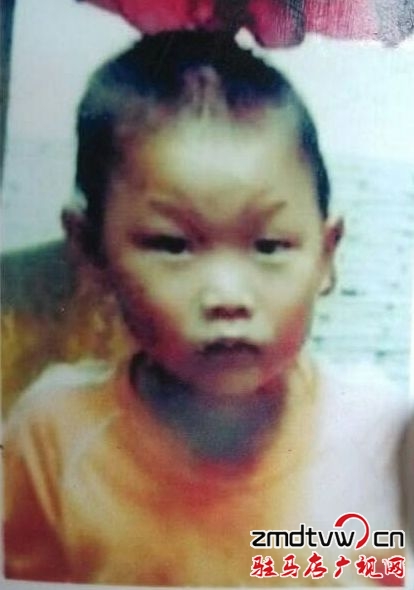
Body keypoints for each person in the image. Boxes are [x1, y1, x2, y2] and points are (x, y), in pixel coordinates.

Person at [3, 30, 409, 586]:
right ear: (91, 251)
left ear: (326, 253)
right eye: (173, 246)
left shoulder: (382, 439)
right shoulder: (51, 439)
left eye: (269, 247)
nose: (227, 297)